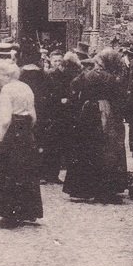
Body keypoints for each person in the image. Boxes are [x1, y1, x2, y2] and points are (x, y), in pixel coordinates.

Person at [0, 59, 43, 228]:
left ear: (7, 76)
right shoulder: (26, 87)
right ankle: (27, 211)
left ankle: (8, 214)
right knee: (25, 172)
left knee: (7, 173)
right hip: (25, 134)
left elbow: (4, 120)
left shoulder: (7, 90)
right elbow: (33, 116)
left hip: (10, 135)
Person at [63, 48, 128, 204]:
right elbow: (120, 98)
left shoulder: (87, 75)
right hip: (108, 114)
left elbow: (74, 85)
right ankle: (106, 189)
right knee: (107, 150)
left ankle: (83, 188)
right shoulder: (113, 79)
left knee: (86, 149)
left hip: (88, 113)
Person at [39, 52, 80, 185]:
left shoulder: (66, 76)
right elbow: (45, 95)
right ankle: (44, 174)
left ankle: (53, 174)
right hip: (50, 114)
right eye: (55, 61)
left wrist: (67, 99)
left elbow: (69, 91)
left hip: (62, 115)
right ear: (50, 61)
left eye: (59, 61)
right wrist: (57, 100)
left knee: (58, 146)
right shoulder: (47, 75)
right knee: (47, 145)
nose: (57, 63)